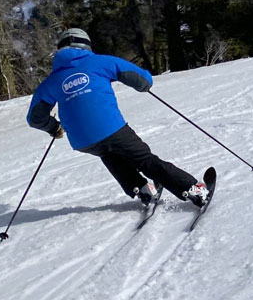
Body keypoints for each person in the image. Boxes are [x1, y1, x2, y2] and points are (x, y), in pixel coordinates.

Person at [26, 27, 209, 207]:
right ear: (86, 45)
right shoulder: (99, 62)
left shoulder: (51, 81)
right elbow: (142, 79)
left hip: (82, 141)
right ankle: (192, 190)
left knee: (109, 154)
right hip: (111, 128)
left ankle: (142, 189)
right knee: (145, 160)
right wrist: (143, 86)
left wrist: (53, 127)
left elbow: (35, 117)